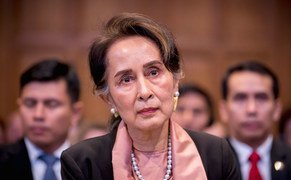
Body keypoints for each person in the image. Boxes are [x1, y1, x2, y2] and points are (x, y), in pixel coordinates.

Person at [61, 13, 240, 180]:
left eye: (153, 72)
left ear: (175, 80)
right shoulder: (82, 162)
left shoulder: (217, 154)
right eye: (126, 79)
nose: (144, 92)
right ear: (108, 98)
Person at [0, 59, 83, 180]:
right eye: (30, 103)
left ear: (75, 113)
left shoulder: (90, 166)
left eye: (51, 104)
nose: (38, 115)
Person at [219, 61, 291, 180]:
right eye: (240, 98)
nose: (252, 109)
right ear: (224, 110)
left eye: (261, 98)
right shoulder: (209, 164)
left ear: (277, 109)